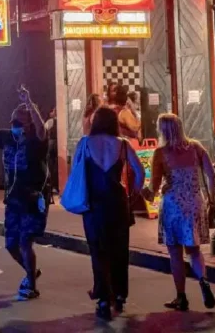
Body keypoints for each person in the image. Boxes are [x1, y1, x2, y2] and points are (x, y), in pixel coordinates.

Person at [0, 86, 48, 300]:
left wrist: (30, 103)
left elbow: (42, 130)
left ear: (28, 124)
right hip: (13, 199)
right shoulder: (7, 137)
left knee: (25, 242)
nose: (13, 126)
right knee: (11, 245)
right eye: (12, 122)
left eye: (18, 123)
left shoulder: (36, 141)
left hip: (32, 199)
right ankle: (31, 271)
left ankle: (31, 285)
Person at [143, 113, 215, 312]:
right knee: (194, 250)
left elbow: (154, 189)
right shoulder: (196, 147)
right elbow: (211, 175)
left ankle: (181, 297)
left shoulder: (160, 153)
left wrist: (143, 193)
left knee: (175, 253)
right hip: (195, 202)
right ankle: (203, 282)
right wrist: (211, 200)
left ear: (163, 130)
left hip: (173, 204)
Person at [79, 107, 145, 320]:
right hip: (117, 203)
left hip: (94, 204)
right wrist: (134, 193)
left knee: (98, 251)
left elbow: (77, 174)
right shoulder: (123, 144)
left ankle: (103, 297)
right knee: (119, 251)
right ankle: (119, 295)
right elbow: (140, 171)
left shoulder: (85, 144)